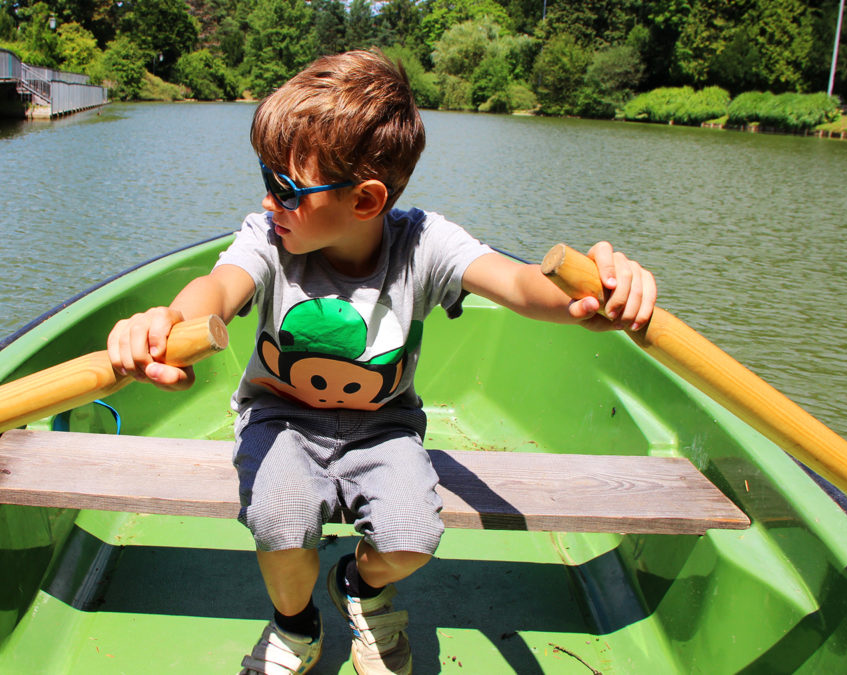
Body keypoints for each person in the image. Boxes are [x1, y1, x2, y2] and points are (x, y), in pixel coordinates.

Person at [107, 49, 657, 675]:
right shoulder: (268, 240)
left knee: (413, 539)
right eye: (264, 176)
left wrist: (594, 292)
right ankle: (295, 626)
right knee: (279, 517)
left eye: (286, 188)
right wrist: (167, 320)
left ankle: (361, 587)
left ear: (366, 200)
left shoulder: (426, 243)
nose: (267, 202)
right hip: (280, 418)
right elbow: (218, 287)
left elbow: (523, 287)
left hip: (383, 427)